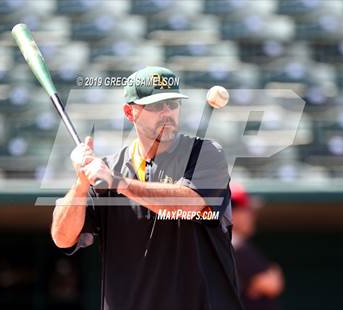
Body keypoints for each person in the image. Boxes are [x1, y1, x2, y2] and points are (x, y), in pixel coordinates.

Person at [51, 66, 244, 310]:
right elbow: (62, 237)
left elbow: (188, 203)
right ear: (129, 113)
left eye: (173, 103)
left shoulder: (205, 154)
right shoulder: (110, 169)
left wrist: (117, 183)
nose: (167, 112)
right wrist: (80, 184)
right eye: (154, 106)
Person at [230, 182, 284, 310]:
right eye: (247, 211)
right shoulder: (235, 245)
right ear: (232, 213)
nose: (252, 216)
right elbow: (273, 284)